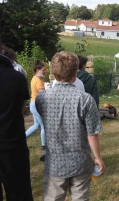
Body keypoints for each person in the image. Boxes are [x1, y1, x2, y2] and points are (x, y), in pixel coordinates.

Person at [35, 51, 105, 200]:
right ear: (76, 73)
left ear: (53, 72)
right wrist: (98, 157)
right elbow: (91, 133)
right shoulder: (86, 99)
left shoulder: (42, 98)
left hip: (55, 163)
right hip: (80, 161)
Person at [0, 36, 33, 200]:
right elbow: (21, 109)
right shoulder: (17, 78)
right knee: (19, 194)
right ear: (2, 51)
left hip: (11, 144)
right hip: (11, 145)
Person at [25, 60, 46, 160]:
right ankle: (44, 146)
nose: (45, 71)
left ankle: (23, 137)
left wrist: (43, 81)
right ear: (38, 70)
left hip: (32, 104)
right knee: (44, 126)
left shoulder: (34, 78)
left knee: (36, 125)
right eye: (43, 70)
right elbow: (42, 94)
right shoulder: (38, 80)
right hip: (37, 105)